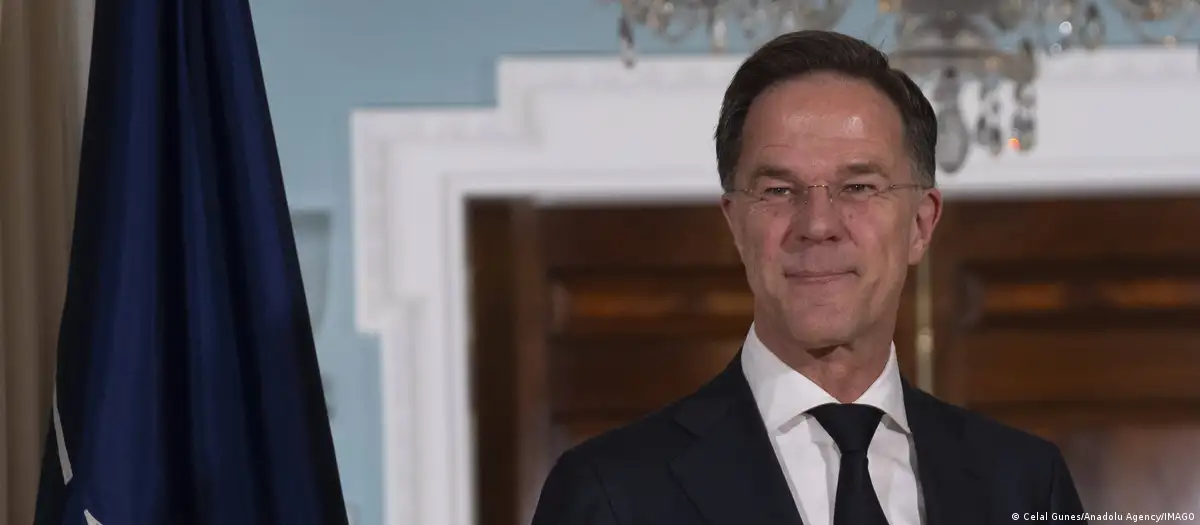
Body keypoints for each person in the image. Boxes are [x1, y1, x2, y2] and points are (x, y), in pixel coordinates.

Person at [529, 30, 1087, 525]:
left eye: (859, 187)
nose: (818, 225)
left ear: (921, 224)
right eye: (778, 191)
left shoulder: (1025, 482)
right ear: (736, 224)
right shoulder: (609, 493)